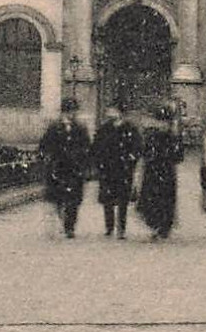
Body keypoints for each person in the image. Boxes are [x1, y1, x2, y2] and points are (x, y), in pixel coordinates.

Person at [38, 98, 91, 238]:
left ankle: (70, 227)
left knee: (73, 200)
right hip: (58, 168)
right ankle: (62, 219)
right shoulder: (54, 128)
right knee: (58, 198)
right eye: (68, 112)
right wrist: (49, 158)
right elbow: (44, 145)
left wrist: (82, 161)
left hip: (74, 168)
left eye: (73, 112)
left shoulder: (80, 128)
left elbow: (86, 146)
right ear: (63, 113)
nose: (71, 115)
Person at [135, 105, 184, 240]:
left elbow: (178, 156)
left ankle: (163, 226)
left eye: (165, 122)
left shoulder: (171, 137)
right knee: (153, 199)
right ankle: (156, 224)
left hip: (164, 171)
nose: (163, 125)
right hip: (154, 171)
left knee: (164, 199)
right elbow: (144, 152)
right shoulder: (153, 135)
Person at [93, 104, 140, 239]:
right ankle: (109, 227)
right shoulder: (104, 129)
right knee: (107, 200)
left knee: (123, 200)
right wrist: (99, 162)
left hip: (124, 168)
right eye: (109, 111)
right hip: (107, 168)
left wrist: (132, 158)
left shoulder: (130, 129)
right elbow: (97, 146)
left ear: (120, 113)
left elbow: (137, 147)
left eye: (113, 111)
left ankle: (121, 228)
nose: (109, 113)